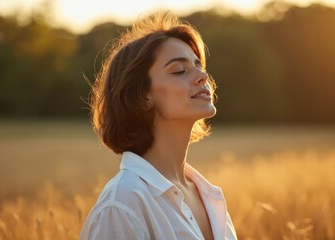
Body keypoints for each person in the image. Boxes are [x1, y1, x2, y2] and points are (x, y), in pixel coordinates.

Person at [80, 12, 237, 240]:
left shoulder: (207, 195)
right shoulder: (122, 205)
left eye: (198, 65)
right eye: (179, 70)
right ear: (143, 96)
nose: (203, 76)